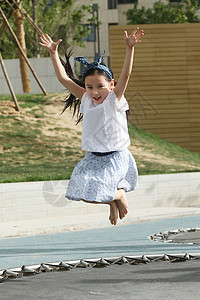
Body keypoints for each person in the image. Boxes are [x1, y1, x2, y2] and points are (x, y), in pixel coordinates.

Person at [39, 27, 144, 225]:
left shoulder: (114, 100)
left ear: (111, 85)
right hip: (93, 158)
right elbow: (64, 79)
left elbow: (126, 75)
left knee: (97, 193)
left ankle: (118, 195)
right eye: (89, 87)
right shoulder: (86, 99)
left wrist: (130, 49)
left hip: (115, 157)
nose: (95, 92)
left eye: (100, 87)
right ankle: (113, 200)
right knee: (81, 193)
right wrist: (53, 53)